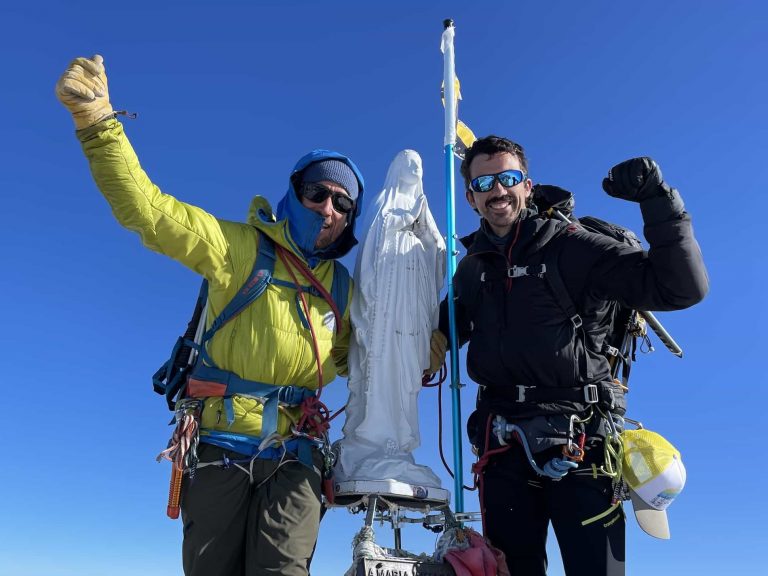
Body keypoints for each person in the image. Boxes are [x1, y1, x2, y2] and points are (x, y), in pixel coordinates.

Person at [55, 55, 365, 576]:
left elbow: (369, 356)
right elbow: (150, 213)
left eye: (344, 203)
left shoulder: (342, 288)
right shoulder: (238, 248)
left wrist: (431, 341)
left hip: (297, 453)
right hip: (220, 446)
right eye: (318, 193)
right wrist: (98, 124)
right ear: (295, 193)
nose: (329, 209)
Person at [434, 135, 708, 575]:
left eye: (508, 178)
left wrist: (658, 202)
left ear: (526, 185)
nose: (497, 190)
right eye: (484, 182)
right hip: (502, 450)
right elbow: (444, 332)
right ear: (470, 197)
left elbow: (681, 287)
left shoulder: (572, 246)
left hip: (582, 444)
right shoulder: (472, 269)